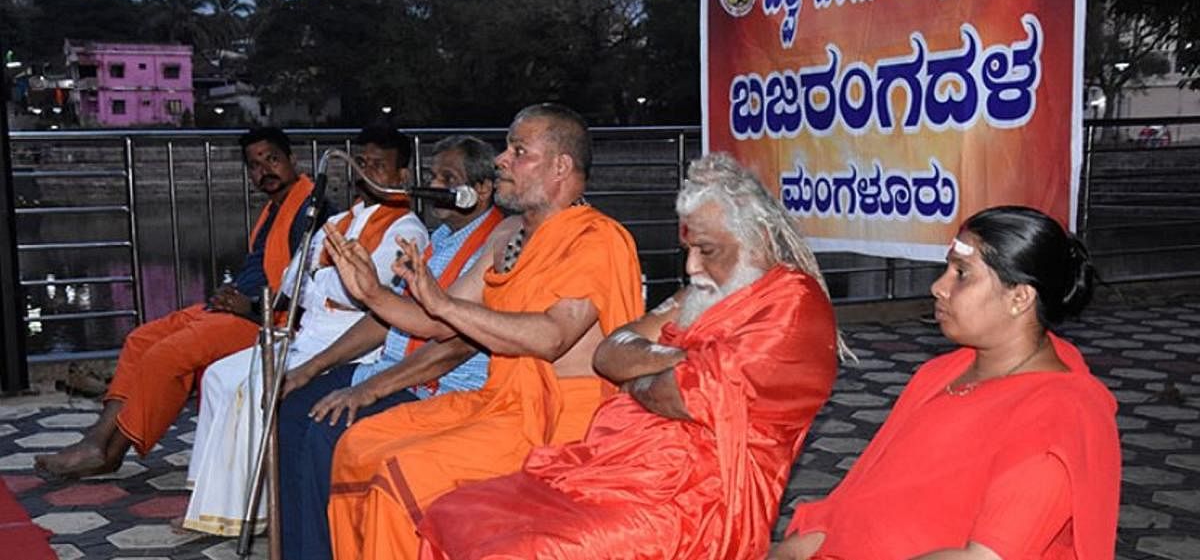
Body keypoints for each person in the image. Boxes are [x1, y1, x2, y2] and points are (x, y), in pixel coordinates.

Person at [418, 152, 847, 559]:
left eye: (708, 251)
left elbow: (675, 396)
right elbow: (609, 353)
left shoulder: (793, 305)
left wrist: (648, 372)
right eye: (689, 252)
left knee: (510, 551)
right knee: (454, 512)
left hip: (696, 503)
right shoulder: (708, 288)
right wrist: (679, 361)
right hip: (613, 469)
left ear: (759, 238)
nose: (692, 268)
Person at [321, 103, 644, 560]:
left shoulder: (599, 238)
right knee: (358, 444)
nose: (501, 161)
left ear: (560, 166)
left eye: (518, 151)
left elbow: (551, 336)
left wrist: (443, 302)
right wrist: (372, 292)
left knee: (400, 476)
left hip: (560, 423)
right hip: (503, 401)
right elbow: (436, 320)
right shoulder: (509, 235)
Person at [771, 206, 1121, 560]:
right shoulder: (943, 372)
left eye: (962, 274)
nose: (938, 287)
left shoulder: (1060, 416)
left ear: (1019, 298)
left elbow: (983, 558)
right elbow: (860, 502)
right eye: (947, 269)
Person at [35, 127, 324, 478]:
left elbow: (313, 290)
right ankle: (99, 443)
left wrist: (247, 306)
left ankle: (108, 450)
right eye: (254, 165)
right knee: (141, 339)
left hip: (265, 319)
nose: (265, 170)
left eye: (272, 160)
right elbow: (263, 270)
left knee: (165, 356)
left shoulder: (313, 212)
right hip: (238, 308)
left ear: (293, 160)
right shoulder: (275, 210)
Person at [182, 126, 426, 536]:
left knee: (255, 390)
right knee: (219, 379)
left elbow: (360, 295)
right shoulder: (337, 220)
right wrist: (324, 279)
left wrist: (322, 279)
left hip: (346, 342)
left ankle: (252, 514)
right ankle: (214, 502)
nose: (365, 173)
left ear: (402, 175)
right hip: (306, 331)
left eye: (378, 167)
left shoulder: (407, 231)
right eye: (362, 164)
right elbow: (293, 279)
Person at [274, 136, 504, 559]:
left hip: (434, 385)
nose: (434, 185)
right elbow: (383, 318)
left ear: (482, 189)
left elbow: (455, 347)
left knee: (328, 430)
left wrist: (368, 390)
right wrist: (313, 368)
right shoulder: (438, 239)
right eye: (432, 176)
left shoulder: (498, 245)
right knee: (288, 410)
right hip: (387, 368)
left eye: (447, 178)